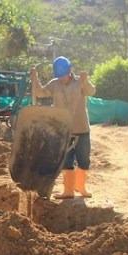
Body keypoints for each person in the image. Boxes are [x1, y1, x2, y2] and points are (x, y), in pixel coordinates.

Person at [30, 56, 96, 199]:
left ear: (70, 71)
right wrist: (35, 80)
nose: (62, 79)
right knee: (66, 161)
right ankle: (68, 190)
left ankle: (80, 186)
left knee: (84, 159)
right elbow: (40, 93)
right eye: (59, 77)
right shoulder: (54, 84)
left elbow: (91, 92)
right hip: (63, 129)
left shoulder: (79, 82)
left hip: (81, 128)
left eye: (63, 76)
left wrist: (86, 81)